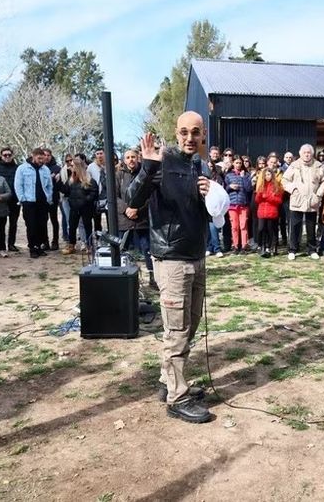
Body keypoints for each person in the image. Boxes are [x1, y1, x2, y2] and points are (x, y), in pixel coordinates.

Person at [126, 111, 212, 424]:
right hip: (172, 259)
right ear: (176, 133)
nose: (190, 138)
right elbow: (132, 198)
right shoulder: (162, 161)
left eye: (196, 132)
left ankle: (168, 381)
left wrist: (210, 196)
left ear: (203, 134)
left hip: (196, 255)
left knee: (189, 323)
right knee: (177, 330)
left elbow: (199, 210)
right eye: (184, 132)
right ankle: (177, 398)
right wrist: (148, 166)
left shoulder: (199, 164)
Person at [115, 149, 155, 288]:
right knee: (123, 251)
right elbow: (114, 197)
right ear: (124, 160)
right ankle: (123, 279)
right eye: (128, 157)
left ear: (138, 158)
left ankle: (153, 278)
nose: (131, 159)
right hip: (124, 221)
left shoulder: (144, 174)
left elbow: (150, 196)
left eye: (133, 157)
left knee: (148, 250)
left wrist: (138, 210)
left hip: (142, 220)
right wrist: (126, 209)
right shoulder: (118, 175)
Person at [282, 143, 324, 260]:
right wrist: (293, 189)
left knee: (311, 226)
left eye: (309, 153)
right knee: (295, 226)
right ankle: (292, 249)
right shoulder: (294, 165)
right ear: (300, 154)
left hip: (312, 200)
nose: (307, 155)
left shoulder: (318, 165)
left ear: (312, 154)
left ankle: (312, 249)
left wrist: (319, 194)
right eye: (305, 153)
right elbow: (285, 180)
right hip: (297, 200)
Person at [14, 148, 53, 258]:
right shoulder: (22, 168)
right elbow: (18, 185)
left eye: (43, 158)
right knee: (31, 225)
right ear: (33, 156)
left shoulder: (45, 169)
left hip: (42, 202)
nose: (41, 160)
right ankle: (33, 248)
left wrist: (48, 198)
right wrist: (22, 199)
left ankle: (39, 246)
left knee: (42, 225)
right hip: (29, 202)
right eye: (39, 158)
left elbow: (50, 185)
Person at [60, 154, 98, 255]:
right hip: (74, 207)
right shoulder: (71, 180)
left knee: (87, 226)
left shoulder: (89, 179)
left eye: (72, 166)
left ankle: (89, 246)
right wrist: (58, 182)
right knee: (72, 227)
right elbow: (65, 191)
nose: (70, 167)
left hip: (86, 208)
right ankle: (71, 245)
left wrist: (86, 200)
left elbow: (94, 192)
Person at [224, 157, 253, 254]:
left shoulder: (246, 175)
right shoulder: (228, 175)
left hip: (243, 204)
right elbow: (224, 190)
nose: (239, 165)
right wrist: (230, 187)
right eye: (237, 163)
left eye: (240, 163)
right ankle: (236, 246)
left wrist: (243, 177)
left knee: (243, 226)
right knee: (234, 226)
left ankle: (244, 245)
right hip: (232, 205)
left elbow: (248, 189)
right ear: (233, 163)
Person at [255, 167, 284, 257]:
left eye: (269, 174)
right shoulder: (261, 186)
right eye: (265, 175)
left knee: (270, 230)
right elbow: (257, 200)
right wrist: (260, 195)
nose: (267, 176)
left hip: (271, 211)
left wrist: (267, 197)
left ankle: (270, 247)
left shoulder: (276, 186)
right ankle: (262, 245)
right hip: (262, 211)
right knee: (261, 229)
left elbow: (279, 201)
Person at [0, 147, 20, 252]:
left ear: (12, 156)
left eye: (9, 155)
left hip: (15, 199)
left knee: (13, 223)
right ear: (1, 156)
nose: (7, 157)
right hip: (0, 200)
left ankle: (11, 244)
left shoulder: (17, 168)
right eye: (5, 155)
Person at [42, 148, 62, 251]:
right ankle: (45, 241)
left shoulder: (57, 168)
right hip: (42, 198)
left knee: (54, 220)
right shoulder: (39, 167)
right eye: (44, 155)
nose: (46, 157)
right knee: (43, 220)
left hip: (53, 197)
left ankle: (55, 241)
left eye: (48, 155)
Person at [87, 149, 107, 231]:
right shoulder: (91, 167)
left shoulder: (108, 165)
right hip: (96, 196)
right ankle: (98, 236)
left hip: (107, 196)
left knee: (110, 218)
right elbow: (87, 180)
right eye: (97, 154)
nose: (99, 155)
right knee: (97, 219)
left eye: (101, 153)